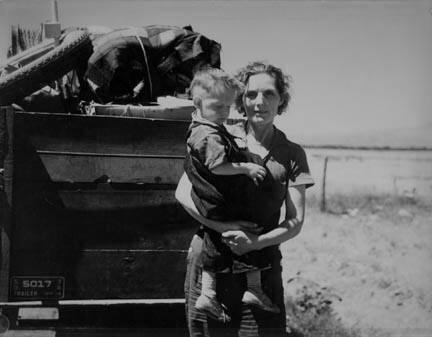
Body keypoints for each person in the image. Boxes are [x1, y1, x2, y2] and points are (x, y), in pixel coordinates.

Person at [176, 61, 314, 337]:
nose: (259, 102)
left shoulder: (291, 153)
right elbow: (182, 193)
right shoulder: (216, 138)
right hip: (211, 261)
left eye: (269, 94)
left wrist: (255, 242)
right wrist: (223, 227)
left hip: (260, 269)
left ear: (281, 100)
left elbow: (295, 221)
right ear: (240, 100)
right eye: (251, 94)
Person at [184, 68, 280, 323]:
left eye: (228, 107)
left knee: (216, 243)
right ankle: (254, 288)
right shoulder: (208, 134)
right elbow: (217, 166)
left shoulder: (209, 127)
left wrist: (244, 156)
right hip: (218, 203)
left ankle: (208, 292)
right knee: (252, 227)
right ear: (198, 103)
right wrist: (246, 167)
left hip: (212, 206)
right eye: (218, 107)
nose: (225, 113)